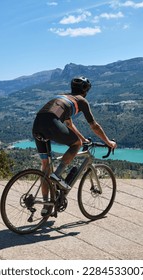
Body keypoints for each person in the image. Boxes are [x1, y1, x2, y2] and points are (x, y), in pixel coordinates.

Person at [32, 76, 117, 215]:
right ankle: (57, 175)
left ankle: (46, 205)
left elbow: (69, 124)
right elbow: (94, 126)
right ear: (86, 90)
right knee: (75, 144)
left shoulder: (63, 98)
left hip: (37, 124)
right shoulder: (81, 101)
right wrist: (109, 142)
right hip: (51, 122)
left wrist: (82, 139)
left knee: (45, 166)